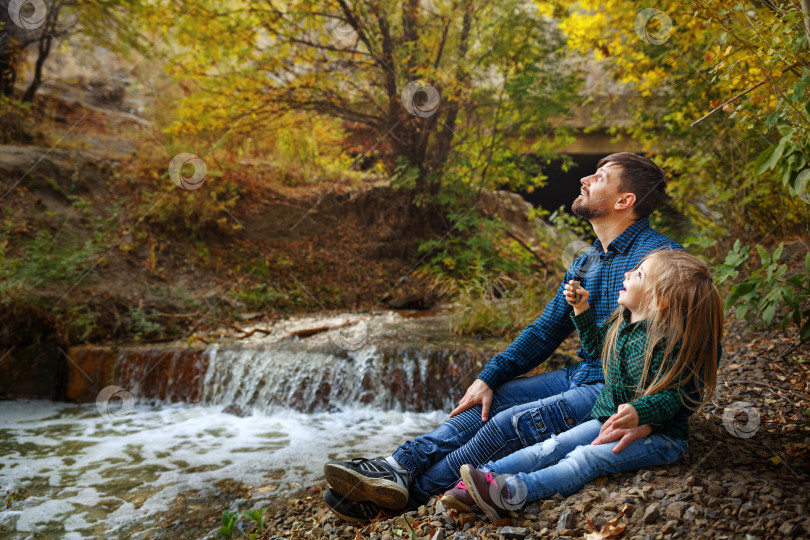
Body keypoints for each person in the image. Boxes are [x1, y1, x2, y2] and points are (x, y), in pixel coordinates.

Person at [322, 152, 689, 523]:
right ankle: (398, 466)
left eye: (600, 177)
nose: (585, 180)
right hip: (586, 373)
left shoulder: (662, 261)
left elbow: (698, 352)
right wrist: (488, 376)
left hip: (619, 390)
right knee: (492, 399)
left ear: (624, 201)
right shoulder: (586, 261)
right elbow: (545, 331)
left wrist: (652, 416)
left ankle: (403, 498)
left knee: (509, 423)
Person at [448, 250, 723, 521]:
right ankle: (482, 478)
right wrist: (581, 310)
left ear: (657, 301)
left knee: (585, 458)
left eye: (638, 274)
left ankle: (510, 493)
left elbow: (673, 397)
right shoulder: (623, 322)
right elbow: (595, 349)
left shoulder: (666, 343)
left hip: (663, 438)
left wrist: (641, 413)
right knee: (553, 445)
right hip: (610, 419)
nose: (627, 273)